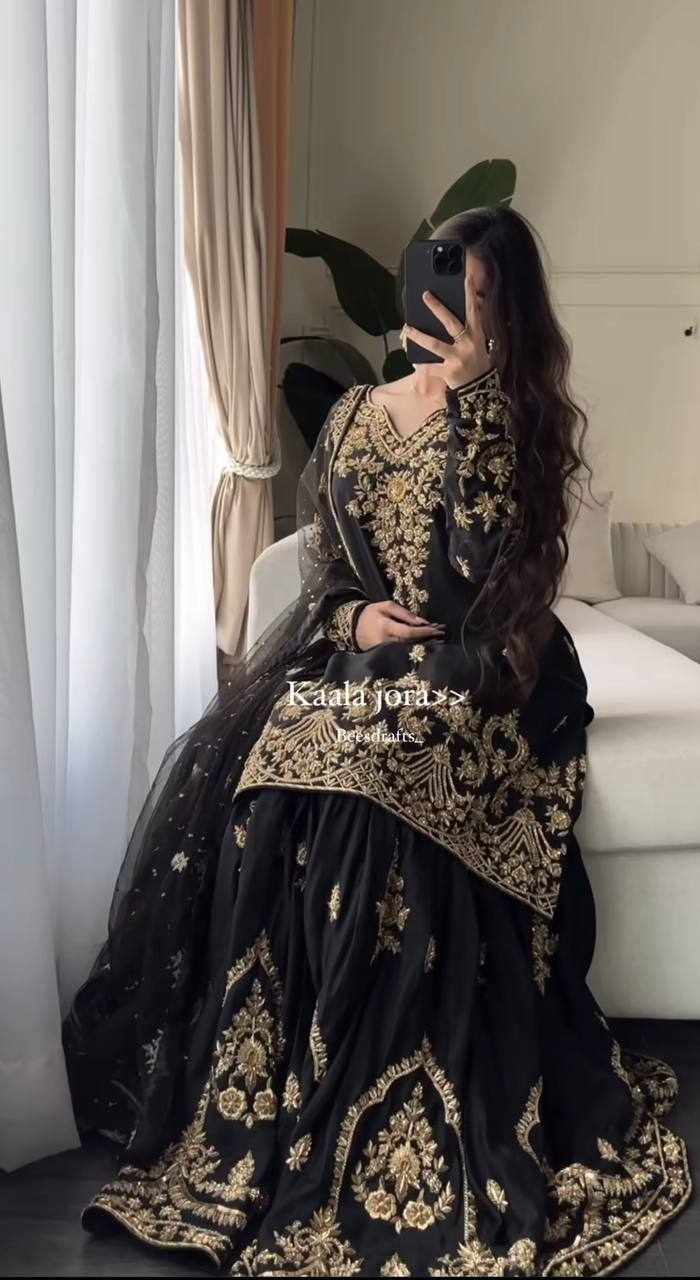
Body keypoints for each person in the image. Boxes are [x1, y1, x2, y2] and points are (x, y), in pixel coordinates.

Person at [62, 206, 691, 1277]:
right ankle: (276, 1096)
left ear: (511, 314)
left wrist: (478, 403)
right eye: (450, 290)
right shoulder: (355, 414)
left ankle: (381, 1086)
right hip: (366, 662)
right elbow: (326, 569)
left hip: (490, 671)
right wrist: (352, 620)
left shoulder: (524, 422)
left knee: (380, 756)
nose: (460, 315)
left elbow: (492, 575)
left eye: (484, 299)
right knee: (279, 757)